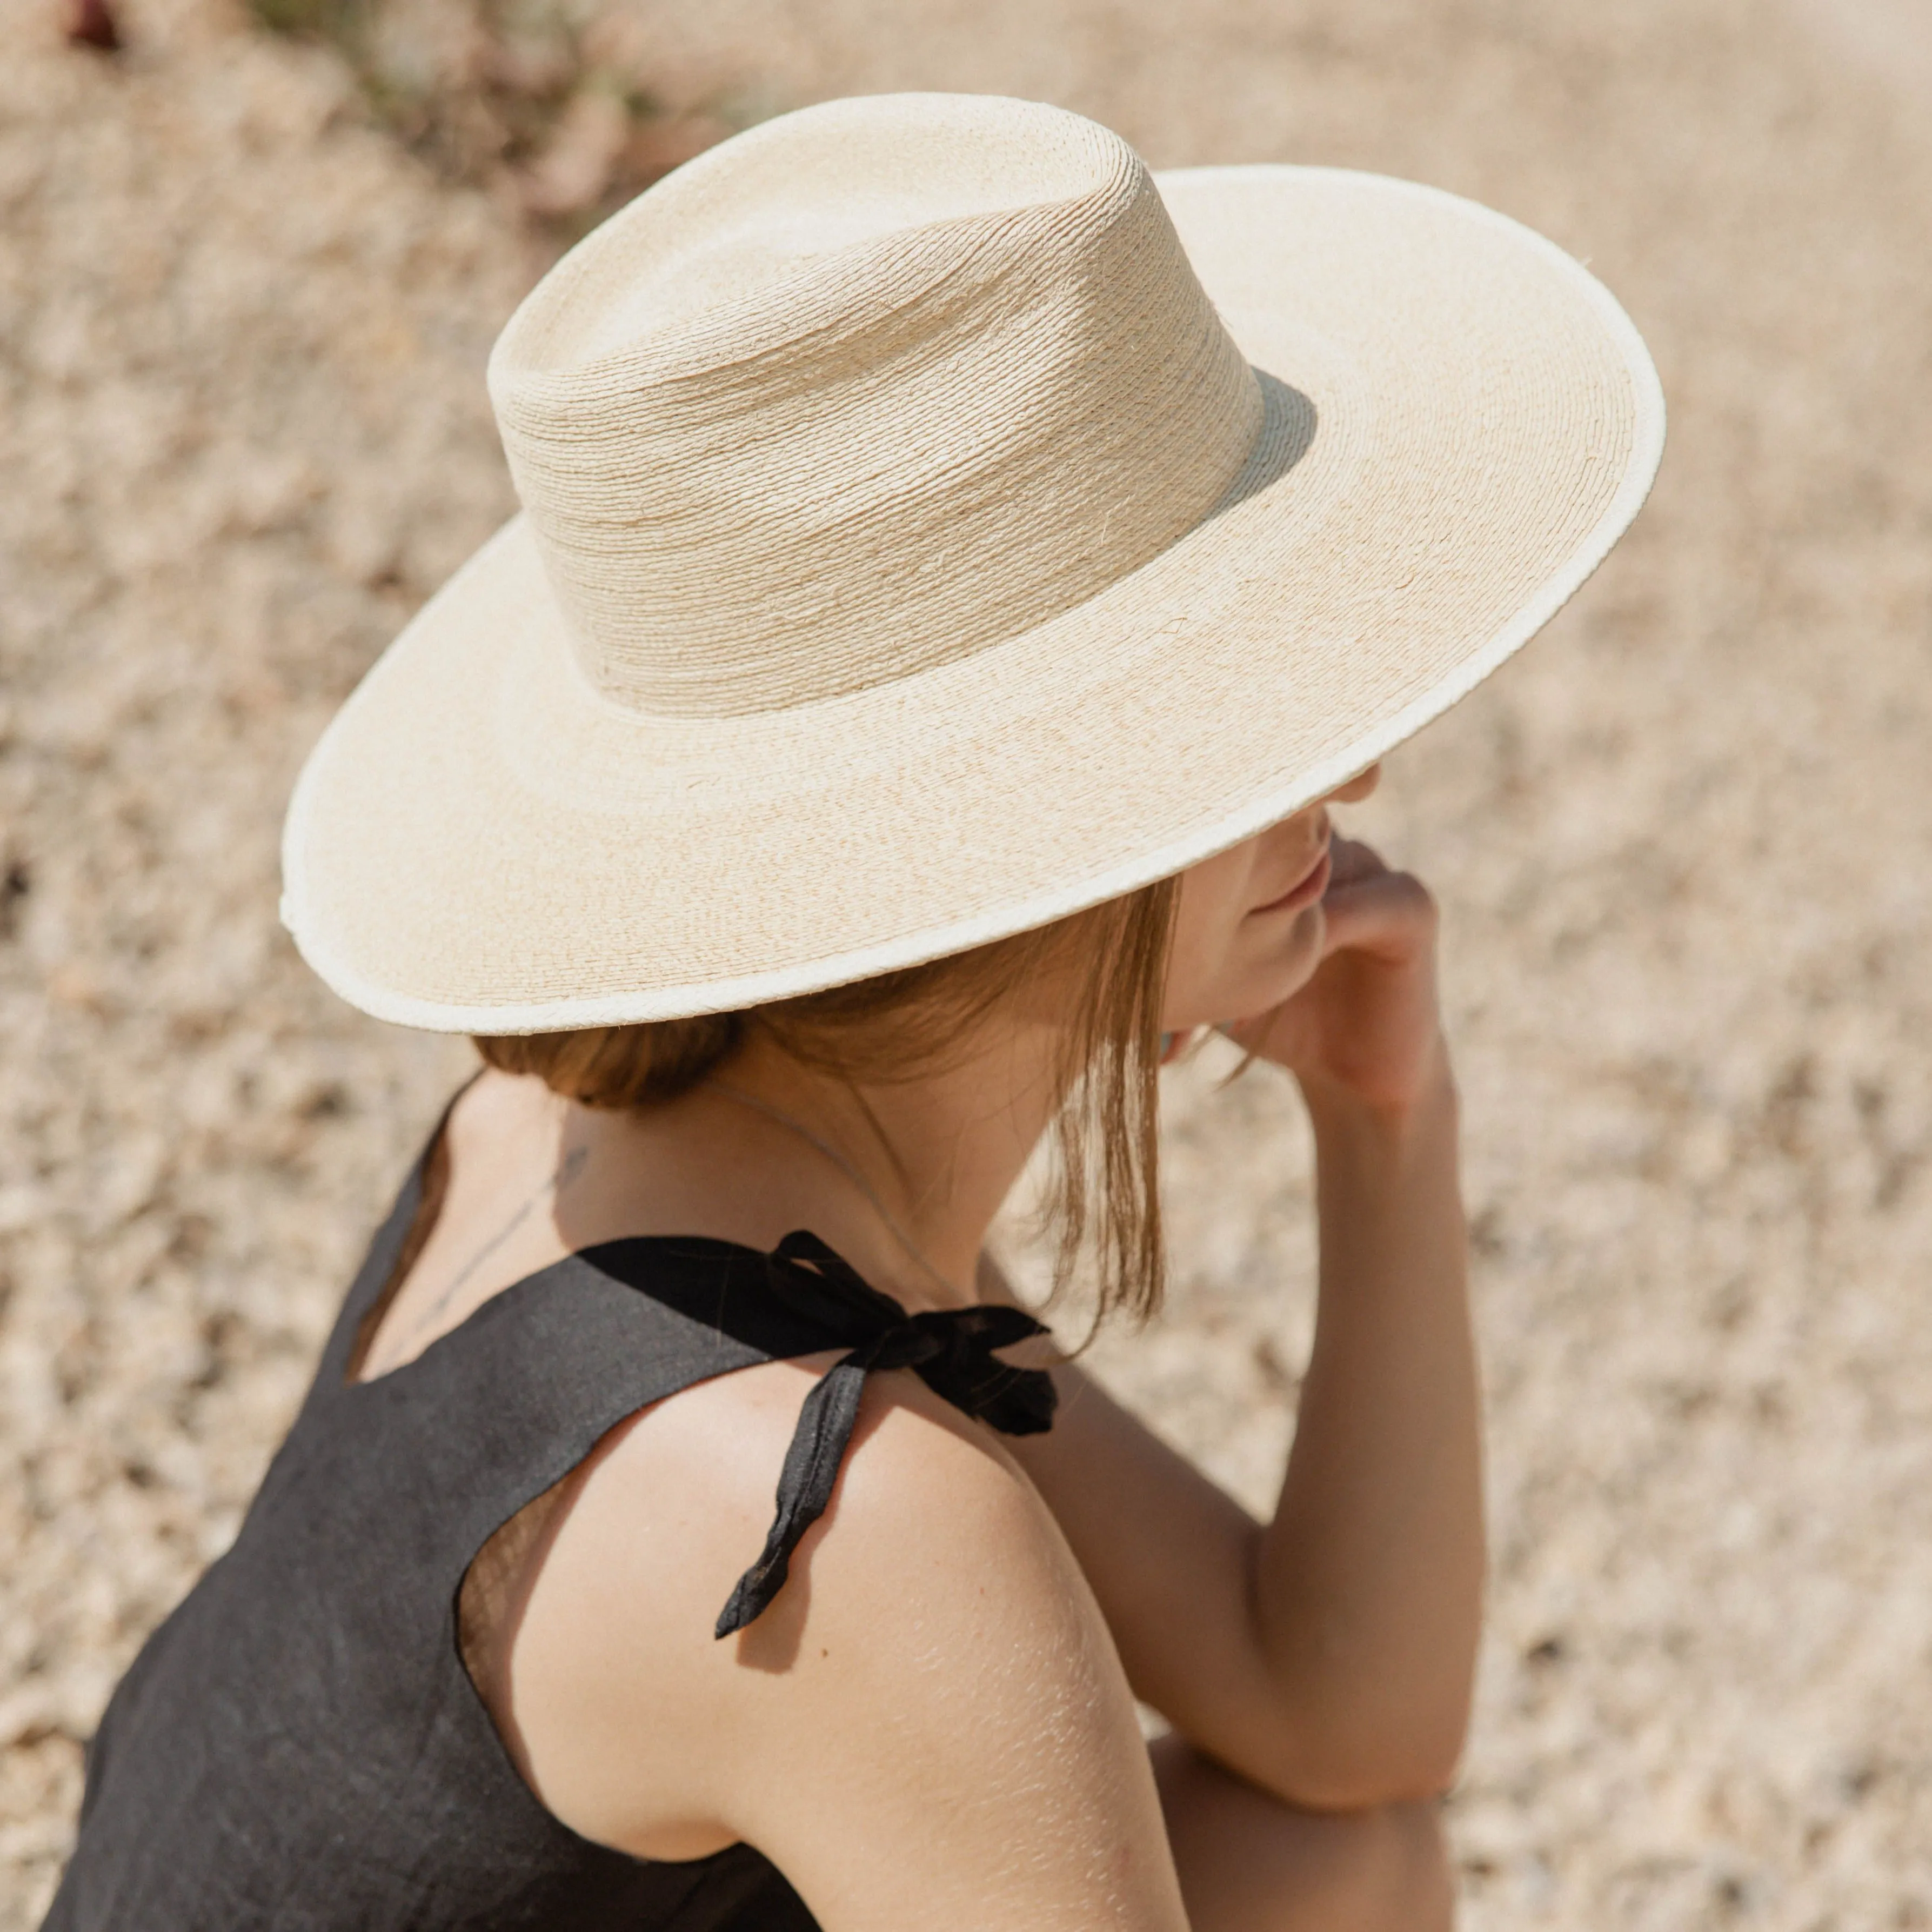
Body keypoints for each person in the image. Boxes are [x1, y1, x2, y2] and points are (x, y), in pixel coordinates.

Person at [45, 90, 1662, 1931]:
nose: (1356, 771)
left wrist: (1387, 1116)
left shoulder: (592, 1153)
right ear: (1055, 818)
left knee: (1329, 1863)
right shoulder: (836, 1511)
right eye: (1250, 714)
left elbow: (1344, 1727)